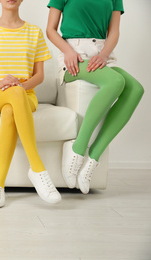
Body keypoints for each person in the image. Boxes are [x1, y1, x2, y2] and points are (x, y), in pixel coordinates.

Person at [0, 0, 61, 207]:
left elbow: (39, 76)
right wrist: (2, 83)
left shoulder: (34, 32)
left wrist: (19, 85)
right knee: (13, 94)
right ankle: (37, 169)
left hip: (25, 96)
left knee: (11, 109)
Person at [47, 0, 144, 194]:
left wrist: (104, 55)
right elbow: (51, 29)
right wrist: (68, 51)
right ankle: (77, 148)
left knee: (135, 89)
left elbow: (114, 32)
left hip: (102, 55)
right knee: (115, 82)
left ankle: (93, 158)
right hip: (75, 56)